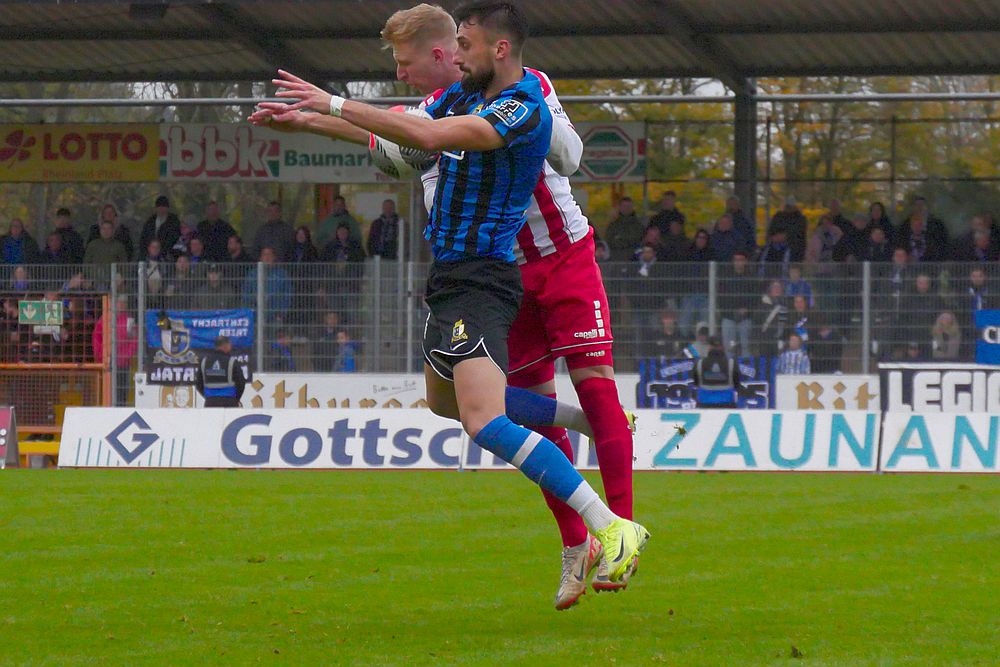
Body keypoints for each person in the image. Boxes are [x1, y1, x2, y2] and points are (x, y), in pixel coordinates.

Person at [257, 0, 647, 602]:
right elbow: (400, 138)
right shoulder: (453, 98)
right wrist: (310, 121)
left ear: (482, 49)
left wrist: (331, 102)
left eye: (461, 46)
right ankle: (583, 460)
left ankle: (614, 528)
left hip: (515, 267)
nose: (401, 73)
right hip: (458, 276)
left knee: (493, 415)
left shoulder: (522, 100)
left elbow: (449, 140)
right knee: (447, 403)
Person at [194, 335, 246, 407]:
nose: (231, 347)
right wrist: (236, 399)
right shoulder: (232, 362)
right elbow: (241, 383)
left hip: (210, 402)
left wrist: (209, 397)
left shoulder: (204, 362)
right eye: (229, 344)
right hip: (229, 402)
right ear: (225, 346)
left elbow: (198, 383)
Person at [692, 336, 741, 408]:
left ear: (709, 347)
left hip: (704, 403)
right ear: (723, 347)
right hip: (727, 403)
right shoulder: (732, 363)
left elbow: (696, 383)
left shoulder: (699, 363)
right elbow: (737, 384)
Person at [138, 195, 181, 261]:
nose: (161, 209)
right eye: (159, 207)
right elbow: (143, 238)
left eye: (163, 207)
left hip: (167, 256)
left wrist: (163, 251)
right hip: (149, 256)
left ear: (167, 208)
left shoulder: (173, 221)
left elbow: (174, 238)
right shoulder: (150, 221)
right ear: (156, 208)